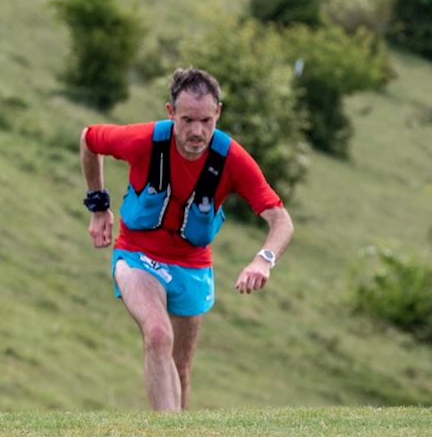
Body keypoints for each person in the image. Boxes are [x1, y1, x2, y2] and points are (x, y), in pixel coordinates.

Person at [79, 66, 293, 411]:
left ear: (218, 113)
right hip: (138, 255)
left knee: (181, 369)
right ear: (171, 113)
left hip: (192, 265)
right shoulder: (144, 141)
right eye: (188, 120)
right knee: (158, 335)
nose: (198, 131)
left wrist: (263, 260)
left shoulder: (232, 160)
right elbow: (90, 139)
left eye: (206, 121)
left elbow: (280, 220)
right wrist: (98, 205)